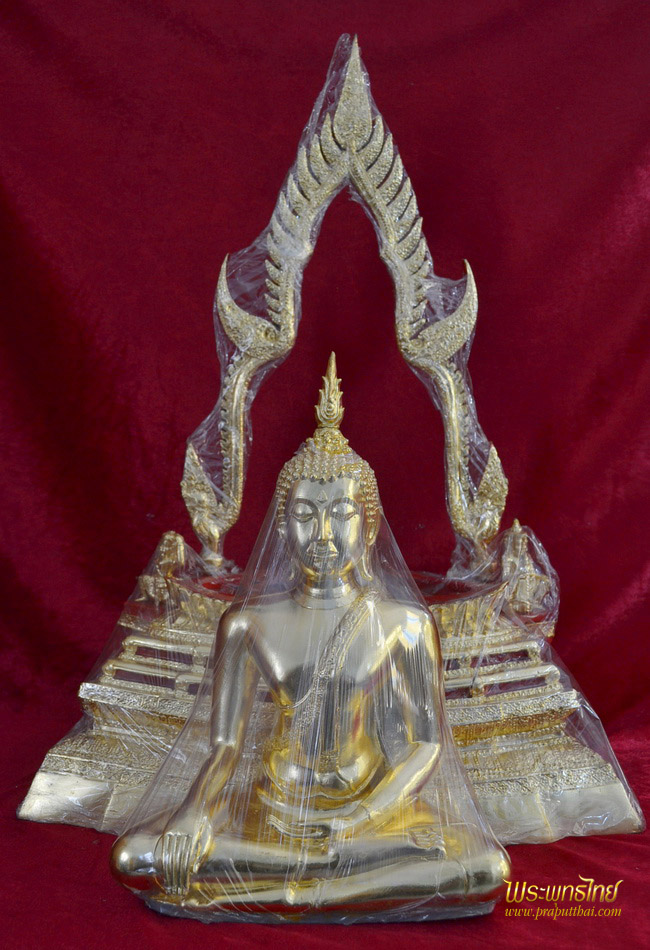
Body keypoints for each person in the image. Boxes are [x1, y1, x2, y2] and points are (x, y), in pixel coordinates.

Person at [111, 354, 509, 922]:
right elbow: (225, 747)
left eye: (340, 513)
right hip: (271, 810)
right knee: (136, 856)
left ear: (367, 525)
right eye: (304, 514)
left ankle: (284, 886)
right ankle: (321, 880)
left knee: (485, 868)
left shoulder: (405, 624)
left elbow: (425, 746)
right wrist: (194, 812)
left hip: (372, 814)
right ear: (282, 524)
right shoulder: (247, 624)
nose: (322, 533)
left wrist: (360, 818)